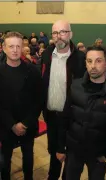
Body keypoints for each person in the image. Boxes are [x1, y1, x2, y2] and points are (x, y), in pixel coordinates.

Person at [0, 32, 42, 180]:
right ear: (4, 48)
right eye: (11, 46)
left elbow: (38, 100)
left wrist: (25, 123)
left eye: (18, 46)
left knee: (28, 157)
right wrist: (12, 124)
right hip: (6, 125)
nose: (15, 50)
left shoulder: (33, 71)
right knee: (5, 160)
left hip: (28, 125)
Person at [58, 46, 106, 180]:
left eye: (98, 61)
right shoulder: (75, 86)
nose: (93, 66)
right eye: (89, 61)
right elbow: (64, 118)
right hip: (74, 149)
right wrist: (61, 147)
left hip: (99, 154)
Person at [41, 20, 86, 180]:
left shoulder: (81, 58)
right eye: (55, 33)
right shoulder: (46, 54)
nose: (59, 36)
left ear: (70, 34)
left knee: (70, 156)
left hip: (72, 117)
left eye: (63, 32)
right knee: (54, 152)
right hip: (52, 116)